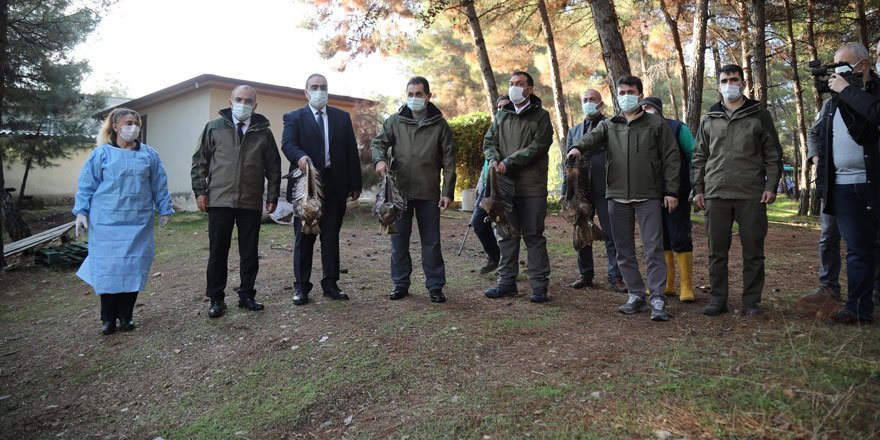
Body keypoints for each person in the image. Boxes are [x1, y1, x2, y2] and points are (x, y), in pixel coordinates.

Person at [568, 76, 680, 322]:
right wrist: (576, 147)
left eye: (630, 91)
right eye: (621, 92)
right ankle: (636, 294)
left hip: (648, 195)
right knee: (623, 249)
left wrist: (671, 191)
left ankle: (658, 298)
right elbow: (591, 137)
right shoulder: (610, 125)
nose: (625, 96)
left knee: (653, 249)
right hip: (616, 196)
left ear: (640, 96)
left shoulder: (656, 124)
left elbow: (672, 158)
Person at [73, 108, 173, 335]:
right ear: (115, 127)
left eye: (136, 123)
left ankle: (126, 316)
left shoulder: (149, 155)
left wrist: (165, 208)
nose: (133, 127)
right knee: (109, 270)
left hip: (137, 222)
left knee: (133, 267)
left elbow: (159, 183)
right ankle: (107, 319)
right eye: (128, 123)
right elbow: (87, 183)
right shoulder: (101, 155)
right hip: (106, 222)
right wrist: (81, 212)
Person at [693, 64, 783, 317]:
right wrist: (698, 189)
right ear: (718, 85)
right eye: (725, 80)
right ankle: (718, 299)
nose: (729, 84)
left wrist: (770, 186)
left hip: (751, 194)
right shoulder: (710, 117)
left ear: (743, 83)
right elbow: (699, 155)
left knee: (753, 252)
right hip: (715, 193)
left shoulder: (758, 114)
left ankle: (751, 302)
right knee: (716, 252)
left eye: (734, 79)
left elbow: (773, 154)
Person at [191, 85, 282, 318]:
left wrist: (272, 196)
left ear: (255, 105)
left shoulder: (263, 132)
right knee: (217, 252)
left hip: (250, 201)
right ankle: (216, 299)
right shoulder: (213, 127)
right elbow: (200, 161)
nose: (244, 104)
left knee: (249, 252)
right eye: (239, 99)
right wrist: (201, 192)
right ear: (230, 102)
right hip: (219, 200)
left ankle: (247, 295)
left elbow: (273, 167)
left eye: (248, 101)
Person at [371, 76, 456, 303]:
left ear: (428, 96)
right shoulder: (395, 121)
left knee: (432, 242)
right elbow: (378, 143)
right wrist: (379, 160)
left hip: (429, 193)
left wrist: (447, 192)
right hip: (399, 194)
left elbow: (449, 162)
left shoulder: (440, 125)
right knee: (398, 240)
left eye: (419, 94)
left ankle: (435, 286)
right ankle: (400, 284)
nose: (414, 98)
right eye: (410, 94)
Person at [811, 43, 880, 324]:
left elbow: (875, 113)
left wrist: (846, 90)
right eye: (835, 64)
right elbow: (818, 134)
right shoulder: (834, 101)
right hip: (842, 186)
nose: (837, 71)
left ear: (863, 65)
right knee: (857, 249)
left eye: (843, 64)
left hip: (872, 184)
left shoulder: (872, 92)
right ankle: (858, 309)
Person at [281, 73, 362, 306]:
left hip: (335, 184)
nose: (319, 91)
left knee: (330, 236)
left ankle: (330, 283)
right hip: (306, 186)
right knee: (304, 236)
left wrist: (355, 183)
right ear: (306, 92)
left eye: (323, 87)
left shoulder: (341, 118)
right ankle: (301, 287)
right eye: (314, 87)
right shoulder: (294, 117)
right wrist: (300, 157)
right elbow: (288, 144)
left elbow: (350, 151)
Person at [483, 71, 554, 303]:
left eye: (520, 84)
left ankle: (539, 287)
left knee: (533, 236)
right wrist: (493, 158)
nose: (514, 88)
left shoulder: (541, 117)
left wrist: (509, 162)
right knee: (506, 235)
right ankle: (506, 283)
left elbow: (539, 147)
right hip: (504, 187)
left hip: (531, 187)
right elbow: (489, 141)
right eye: (512, 84)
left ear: (529, 89)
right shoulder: (502, 115)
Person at [564, 88, 626, 293]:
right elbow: (568, 164)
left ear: (600, 103)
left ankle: (615, 276)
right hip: (581, 191)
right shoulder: (573, 131)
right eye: (584, 99)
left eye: (592, 99)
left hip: (606, 188)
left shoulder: (611, 125)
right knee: (582, 230)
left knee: (611, 233)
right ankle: (586, 274)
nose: (588, 102)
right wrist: (567, 192)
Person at [640, 96, 696, 303]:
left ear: (658, 110)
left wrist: (695, 185)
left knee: (679, 236)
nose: (645, 110)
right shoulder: (640, 131)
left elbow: (695, 154)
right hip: (650, 194)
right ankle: (667, 284)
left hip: (677, 193)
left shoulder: (677, 128)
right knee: (660, 238)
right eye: (643, 107)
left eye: (649, 107)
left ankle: (687, 286)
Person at [470, 96, 509, 275]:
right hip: (486, 186)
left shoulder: (513, 131)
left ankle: (508, 268)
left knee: (505, 227)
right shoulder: (492, 131)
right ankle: (494, 256)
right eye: (498, 107)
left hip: (505, 184)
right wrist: (480, 182)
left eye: (505, 107)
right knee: (478, 223)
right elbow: (487, 161)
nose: (501, 110)